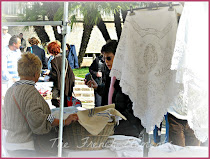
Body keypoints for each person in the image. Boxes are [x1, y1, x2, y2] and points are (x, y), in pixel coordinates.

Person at [3, 53, 78, 157]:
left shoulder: (10, 91)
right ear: (36, 74)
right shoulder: (30, 92)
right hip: (25, 146)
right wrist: (63, 121)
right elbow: (37, 118)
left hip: (10, 143)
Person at [85, 40, 144, 137]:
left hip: (127, 129)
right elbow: (110, 92)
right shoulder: (111, 73)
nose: (106, 62)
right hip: (113, 126)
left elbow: (134, 107)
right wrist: (97, 87)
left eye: (109, 58)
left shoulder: (129, 77)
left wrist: (119, 121)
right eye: (104, 59)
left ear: (119, 57)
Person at [48, 42, 75, 107]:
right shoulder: (64, 59)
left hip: (60, 88)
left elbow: (55, 75)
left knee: (58, 106)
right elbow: (71, 74)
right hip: (67, 87)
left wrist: (49, 76)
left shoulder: (54, 61)